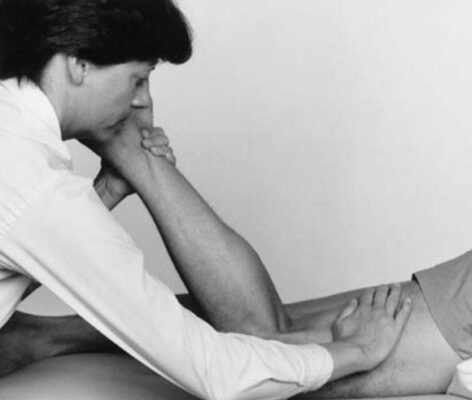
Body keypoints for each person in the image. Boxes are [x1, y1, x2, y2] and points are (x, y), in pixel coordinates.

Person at [0, 0, 414, 399]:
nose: (142, 100)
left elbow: (20, 232)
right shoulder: (37, 187)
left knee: (204, 312)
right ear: (79, 65)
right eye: (138, 79)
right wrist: (354, 351)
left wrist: (108, 190)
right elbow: (214, 373)